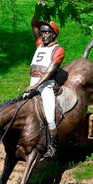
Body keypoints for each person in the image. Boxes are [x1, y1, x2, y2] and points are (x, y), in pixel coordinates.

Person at [24, 14, 65, 158]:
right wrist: (38, 9)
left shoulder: (58, 50)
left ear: (53, 35)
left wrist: (36, 86)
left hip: (45, 86)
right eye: (43, 32)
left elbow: (50, 71)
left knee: (49, 117)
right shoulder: (39, 44)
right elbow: (34, 25)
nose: (44, 35)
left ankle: (53, 146)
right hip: (32, 84)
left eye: (47, 32)